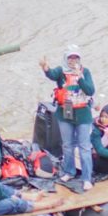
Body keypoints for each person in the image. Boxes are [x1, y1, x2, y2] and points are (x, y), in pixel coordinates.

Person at [40, 45, 96, 191]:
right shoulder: (61, 71)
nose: (73, 60)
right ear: (66, 58)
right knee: (67, 145)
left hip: (83, 114)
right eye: (70, 57)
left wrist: (80, 77)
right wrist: (45, 68)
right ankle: (69, 171)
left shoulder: (86, 72)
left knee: (84, 147)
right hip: (66, 113)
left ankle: (87, 178)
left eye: (76, 57)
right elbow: (51, 74)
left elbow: (90, 90)